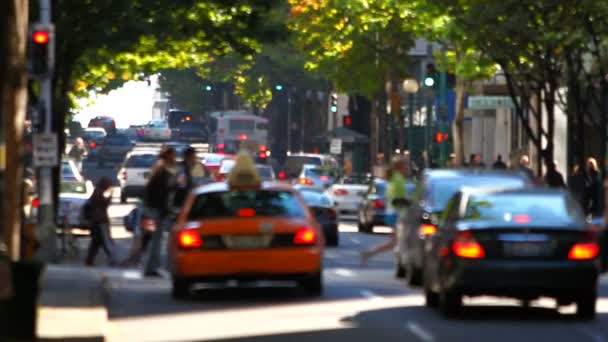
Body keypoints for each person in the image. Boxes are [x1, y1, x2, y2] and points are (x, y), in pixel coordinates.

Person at [361, 156, 410, 266]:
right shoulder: (398, 179)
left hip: (392, 213)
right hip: (397, 214)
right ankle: (402, 262)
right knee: (400, 240)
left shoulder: (394, 178)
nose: (408, 168)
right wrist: (409, 202)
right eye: (406, 165)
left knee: (395, 241)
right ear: (401, 166)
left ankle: (369, 254)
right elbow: (397, 199)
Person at [143, 147, 178, 277]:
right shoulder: (163, 170)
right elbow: (163, 191)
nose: (175, 158)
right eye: (173, 156)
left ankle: (152, 267)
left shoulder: (159, 167)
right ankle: (152, 268)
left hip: (153, 207)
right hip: (157, 209)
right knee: (156, 239)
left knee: (155, 239)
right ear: (168, 156)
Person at [85, 177, 117, 266]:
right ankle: (113, 258)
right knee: (105, 241)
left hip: (96, 221)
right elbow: (105, 204)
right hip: (100, 221)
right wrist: (110, 195)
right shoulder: (98, 193)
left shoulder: (97, 192)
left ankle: (89, 260)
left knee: (96, 242)